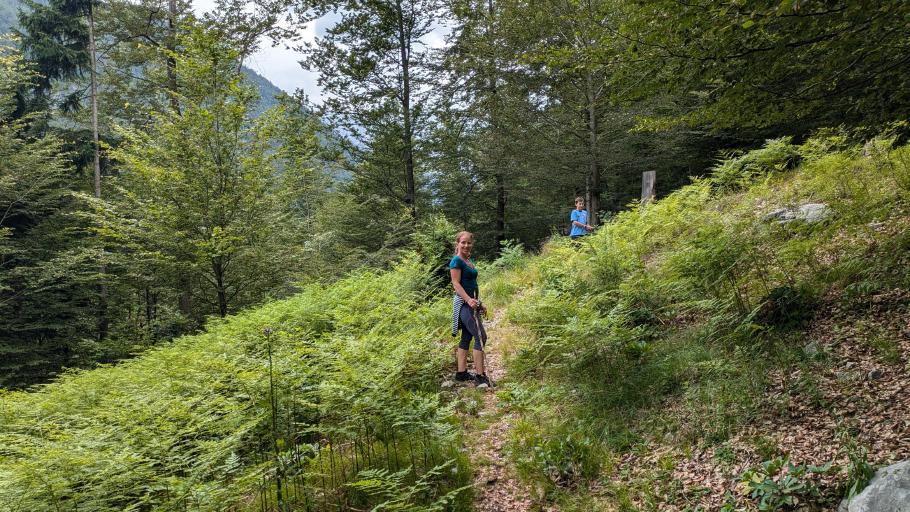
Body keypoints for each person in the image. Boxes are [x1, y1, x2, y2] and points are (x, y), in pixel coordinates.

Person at [449, 231, 491, 387]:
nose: (466, 245)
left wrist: (480, 303)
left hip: (472, 303)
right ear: (458, 243)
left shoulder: (468, 260)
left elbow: (472, 285)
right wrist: (468, 300)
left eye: (469, 243)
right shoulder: (456, 261)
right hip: (463, 304)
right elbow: (456, 284)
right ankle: (480, 377)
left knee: (467, 336)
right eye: (463, 242)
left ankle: (461, 373)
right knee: (481, 337)